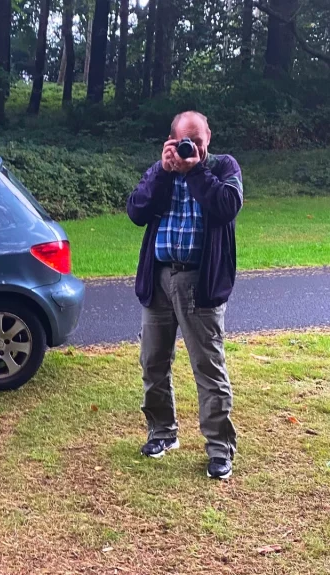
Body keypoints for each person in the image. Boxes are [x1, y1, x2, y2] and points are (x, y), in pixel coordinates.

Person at [126, 111, 244, 480]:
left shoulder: (223, 167)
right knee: (153, 362)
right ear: (171, 140)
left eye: (197, 139)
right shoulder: (161, 169)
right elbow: (136, 210)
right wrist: (164, 173)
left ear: (209, 136)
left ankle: (220, 450)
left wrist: (194, 171)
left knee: (208, 368)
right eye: (183, 141)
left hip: (200, 283)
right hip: (159, 278)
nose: (190, 146)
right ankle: (162, 433)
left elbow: (227, 205)